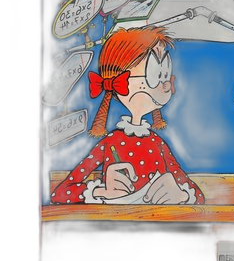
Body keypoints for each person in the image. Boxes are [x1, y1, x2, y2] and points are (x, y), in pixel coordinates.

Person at [51, 24, 204, 205]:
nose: (166, 85)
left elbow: (198, 195)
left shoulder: (157, 143)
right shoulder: (110, 143)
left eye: (165, 75)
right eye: (154, 74)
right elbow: (60, 193)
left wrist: (182, 195)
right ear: (118, 79)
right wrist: (101, 191)